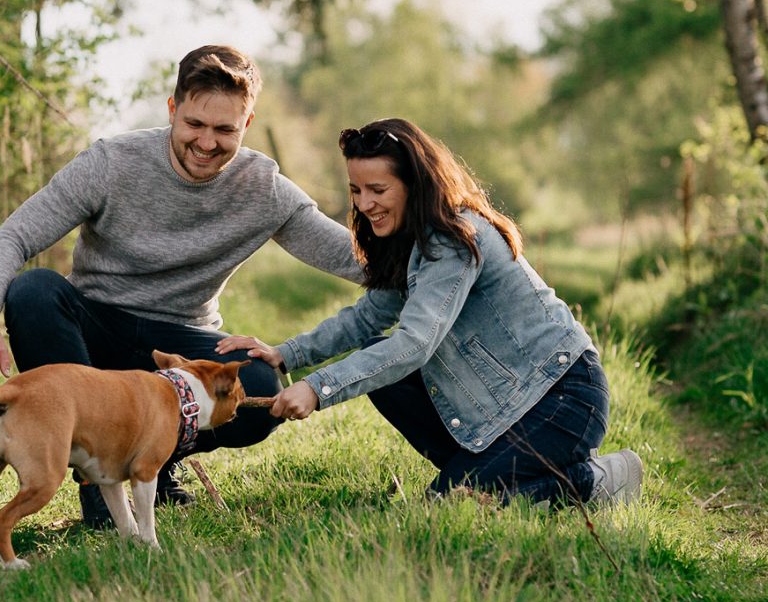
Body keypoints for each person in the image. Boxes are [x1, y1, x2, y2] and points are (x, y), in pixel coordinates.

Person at [0, 45, 362, 527]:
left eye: (224, 130)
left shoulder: (263, 188)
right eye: (195, 124)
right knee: (33, 292)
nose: (207, 143)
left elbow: (355, 257)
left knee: (257, 389)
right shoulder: (112, 162)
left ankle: (155, 462)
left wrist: (455, 251)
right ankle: (96, 484)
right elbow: (14, 237)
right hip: (95, 333)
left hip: (180, 348)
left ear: (247, 124)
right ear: (173, 110)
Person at [217, 118, 643, 507]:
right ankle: (486, 475)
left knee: (447, 507)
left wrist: (318, 388)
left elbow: (415, 343)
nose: (365, 204)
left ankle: (595, 481)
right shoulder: (410, 241)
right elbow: (367, 318)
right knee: (384, 370)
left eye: (378, 191)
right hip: (501, 408)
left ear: (415, 184)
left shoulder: (453, 239)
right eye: (356, 191)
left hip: (561, 398)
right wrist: (286, 354)